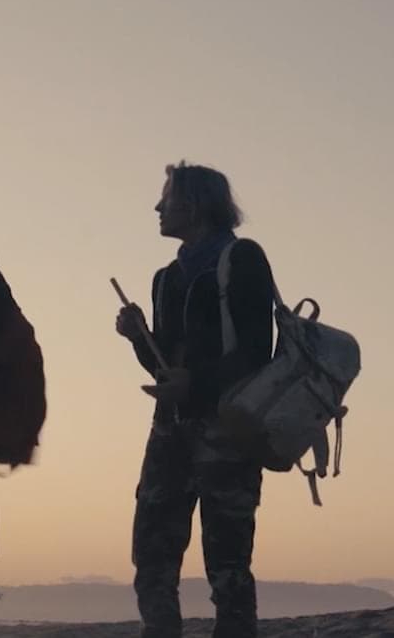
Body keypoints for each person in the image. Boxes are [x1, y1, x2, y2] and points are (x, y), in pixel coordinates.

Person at [116, 161, 278, 638]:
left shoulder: (241, 259)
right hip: (169, 431)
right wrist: (138, 337)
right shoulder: (166, 277)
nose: (158, 207)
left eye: (166, 198)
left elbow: (256, 353)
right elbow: (164, 367)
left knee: (227, 563)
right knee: (152, 555)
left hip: (229, 431)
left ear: (195, 204)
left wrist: (196, 385)